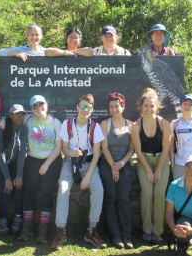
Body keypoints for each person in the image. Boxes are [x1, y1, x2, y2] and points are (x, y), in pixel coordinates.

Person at [51, 94, 107, 251]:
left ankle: (92, 230)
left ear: (92, 109)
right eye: (82, 106)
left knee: (99, 190)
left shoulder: (95, 127)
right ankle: (60, 230)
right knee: (63, 189)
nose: (85, 110)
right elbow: (63, 149)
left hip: (89, 164)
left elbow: (97, 154)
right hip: (70, 163)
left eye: (88, 107)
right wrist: (71, 153)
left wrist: (88, 176)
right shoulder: (67, 124)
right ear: (77, 107)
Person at [18, 95, 62, 243]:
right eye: (34, 106)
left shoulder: (56, 122)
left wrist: (46, 164)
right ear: (31, 109)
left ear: (47, 105)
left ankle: (43, 228)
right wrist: (2, 120)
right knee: (28, 191)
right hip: (31, 160)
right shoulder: (28, 120)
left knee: (46, 192)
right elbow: (14, 120)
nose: (38, 108)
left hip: (51, 161)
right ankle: (27, 225)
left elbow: (58, 147)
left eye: (41, 104)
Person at [130, 88, 171, 245]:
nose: (149, 109)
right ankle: (147, 231)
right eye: (146, 105)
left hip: (161, 161)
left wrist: (159, 170)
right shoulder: (136, 126)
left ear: (157, 106)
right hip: (144, 161)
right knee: (147, 193)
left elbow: (166, 149)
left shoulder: (164, 124)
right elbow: (138, 151)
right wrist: (148, 171)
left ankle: (158, 231)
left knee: (160, 194)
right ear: (141, 106)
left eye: (152, 106)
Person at [99, 93, 134, 249]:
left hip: (124, 164)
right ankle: (115, 235)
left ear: (123, 106)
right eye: (111, 107)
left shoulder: (131, 125)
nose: (114, 109)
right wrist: (113, 165)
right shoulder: (105, 124)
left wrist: (120, 164)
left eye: (117, 106)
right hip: (107, 162)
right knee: (111, 196)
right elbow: (104, 147)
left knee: (124, 198)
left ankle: (127, 235)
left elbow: (132, 149)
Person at [0, 104, 28, 235]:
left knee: (19, 187)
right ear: (11, 115)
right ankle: (1, 219)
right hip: (1, 163)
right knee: (6, 189)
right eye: (17, 114)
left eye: (22, 114)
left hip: (14, 163)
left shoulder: (24, 128)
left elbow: (21, 152)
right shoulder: (1, 129)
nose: (20, 117)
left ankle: (18, 218)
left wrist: (19, 175)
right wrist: (7, 178)